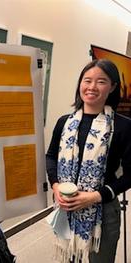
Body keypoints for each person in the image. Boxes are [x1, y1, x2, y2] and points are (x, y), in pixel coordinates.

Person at [46, 59, 131, 263]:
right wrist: (56, 186)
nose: (92, 87)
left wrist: (94, 197)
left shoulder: (123, 126)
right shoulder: (64, 122)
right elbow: (51, 156)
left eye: (101, 81)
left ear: (112, 87)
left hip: (103, 209)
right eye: (87, 80)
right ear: (80, 84)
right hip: (66, 206)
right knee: (68, 258)